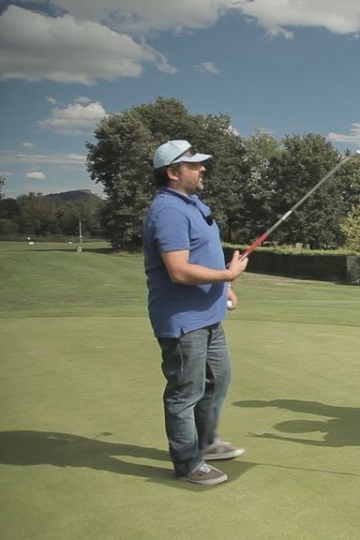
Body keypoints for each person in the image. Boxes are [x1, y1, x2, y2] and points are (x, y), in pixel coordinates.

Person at [143, 140, 249, 485]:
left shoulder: (192, 203)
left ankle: (203, 443)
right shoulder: (168, 211)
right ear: (173, 173)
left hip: (208, 314)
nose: (202, 169)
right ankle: (188, 463)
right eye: (194, 165)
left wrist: (224, 285)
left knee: (219, 379)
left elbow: (204, 255)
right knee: (184, 392)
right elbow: (179, 270)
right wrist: (228, 275)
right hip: (183, 320)